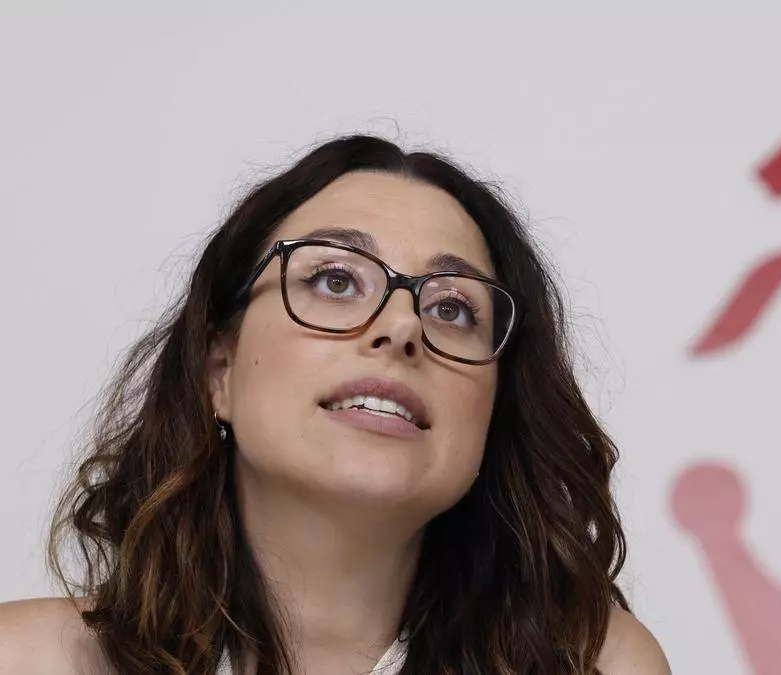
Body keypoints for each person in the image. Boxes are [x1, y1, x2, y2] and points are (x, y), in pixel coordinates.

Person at [0, 135, 671, 675]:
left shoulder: (593, 663)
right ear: (219, 371)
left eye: (452, 308)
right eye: (336, 279)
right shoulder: (29, 658)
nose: (403, 327)